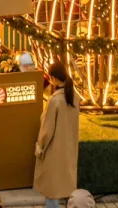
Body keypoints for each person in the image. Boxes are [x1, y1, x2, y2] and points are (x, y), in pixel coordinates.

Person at [35, 61, 80, 208]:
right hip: (70, 150)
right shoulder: (74, 97)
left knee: (51, 191)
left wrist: (39, 148)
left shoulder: (55, 100)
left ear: (53, 78)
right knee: (67, 189)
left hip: (54, 152)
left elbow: (47, 131)